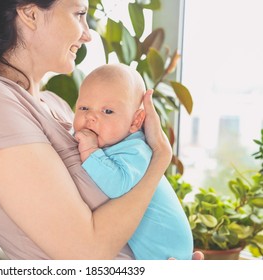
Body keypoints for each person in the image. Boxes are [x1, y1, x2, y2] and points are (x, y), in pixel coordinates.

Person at [0, 0, 203, 260]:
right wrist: (159, 159)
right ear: (30, 14)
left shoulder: (56, 106)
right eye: (79, 14)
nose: (88, 34)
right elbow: (85, 253)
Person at [73, 64, 193, 260]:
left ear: (135, 121)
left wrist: (90, 150)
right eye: (84, 107)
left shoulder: (136, 150)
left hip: (166, 253)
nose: (91, 116)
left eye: (108, 111)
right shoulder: (112, 141)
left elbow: (116, 186)